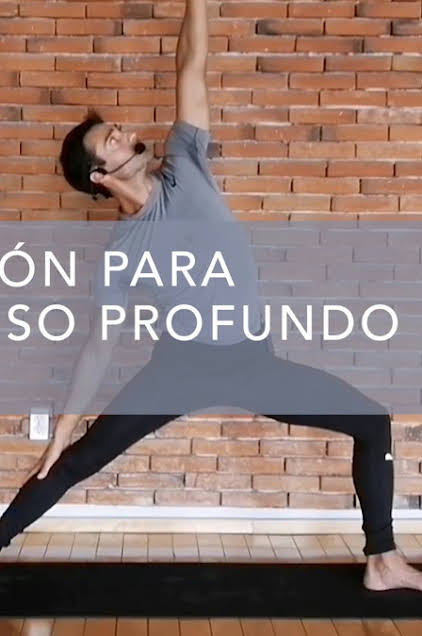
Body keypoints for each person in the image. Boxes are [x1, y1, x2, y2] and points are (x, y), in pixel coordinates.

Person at [0, 0, 421, 594]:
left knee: (371, 422)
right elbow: (100, 345)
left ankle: (382, 560)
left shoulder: (187, 166)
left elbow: (191, 67)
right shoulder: (122, 249)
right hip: (180, 367)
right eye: (111, 138)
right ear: (100, 176)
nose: (124, 132)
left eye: (117, 128)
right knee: (74, 459)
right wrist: (64, 426)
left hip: (251, 362)